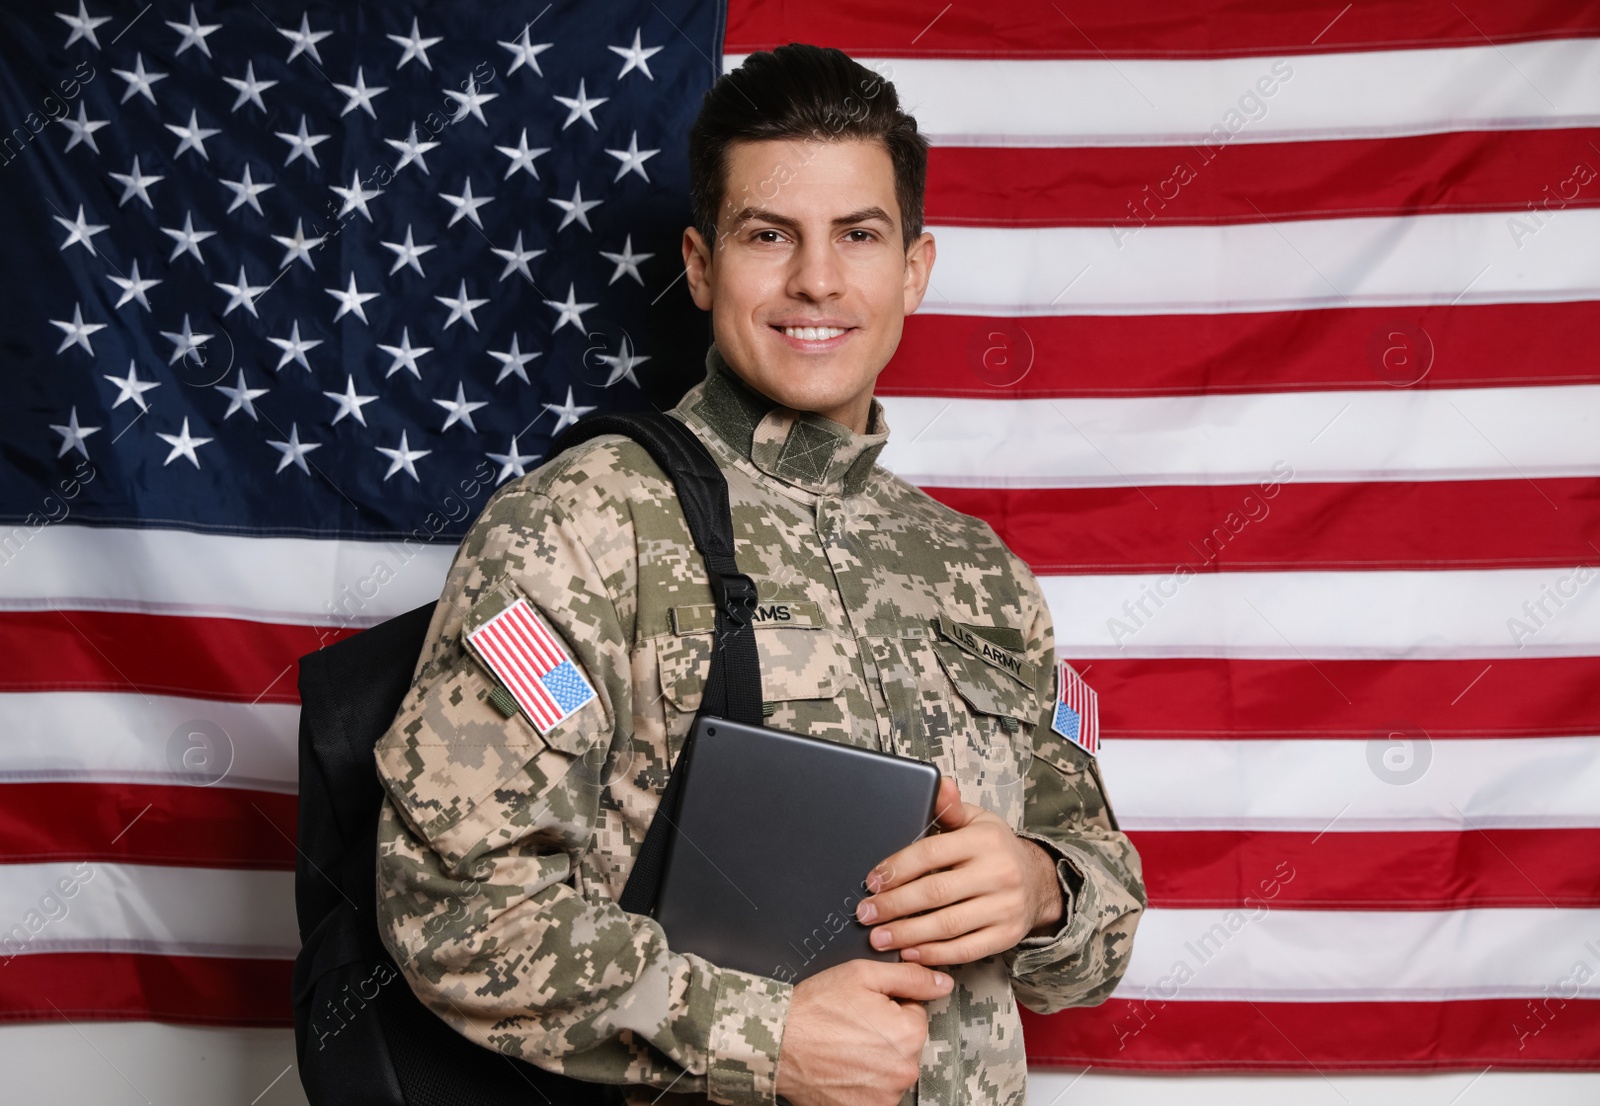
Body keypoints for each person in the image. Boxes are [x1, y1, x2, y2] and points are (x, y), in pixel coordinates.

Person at [374, 42, 1145, 1106]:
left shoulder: (984, 575)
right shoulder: (584, 523)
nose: (816, 278)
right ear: (699, 264)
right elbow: (449, 908)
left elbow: (1102, 923)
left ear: (914, 269)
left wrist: (1041, 889)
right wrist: (761, 1034)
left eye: (858, 235)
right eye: (767, 234)